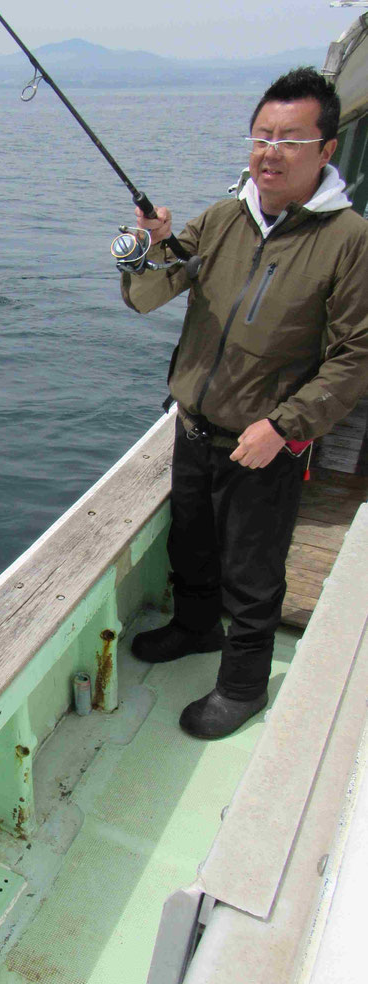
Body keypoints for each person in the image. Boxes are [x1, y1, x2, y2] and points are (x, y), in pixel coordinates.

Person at [118, 67, 368, 739]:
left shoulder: (349, 240)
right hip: (194, 427)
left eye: (291, 137)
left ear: (328, 148)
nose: (270, 151)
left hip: (266, 442)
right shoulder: (224, 218)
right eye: (262, 134)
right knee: (192, 545)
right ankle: (196, 627)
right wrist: (146, 248)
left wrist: (285, 427)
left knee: (253, 575)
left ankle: (242, 686)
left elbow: (356, 359)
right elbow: (147, 296)